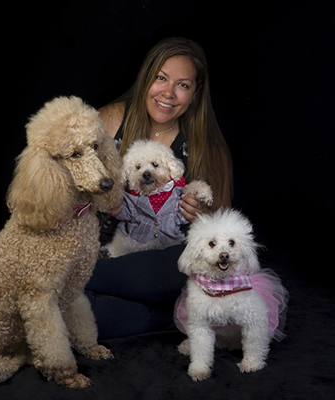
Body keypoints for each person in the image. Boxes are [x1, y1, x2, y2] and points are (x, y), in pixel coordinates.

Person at [86, 37, 234, 339]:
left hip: (165, 265)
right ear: (146, 78)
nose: (168, 93)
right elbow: (63, 185)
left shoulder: (210, 149)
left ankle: (78, 280)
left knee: (182, 266)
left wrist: (204, 215)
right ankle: (169, 318)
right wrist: (101, 198)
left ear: (196, 92)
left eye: (182, 85)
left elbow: (227, 238)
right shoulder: (109, 120)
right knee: (77, 312)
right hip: (106, 249)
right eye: (161, 78)